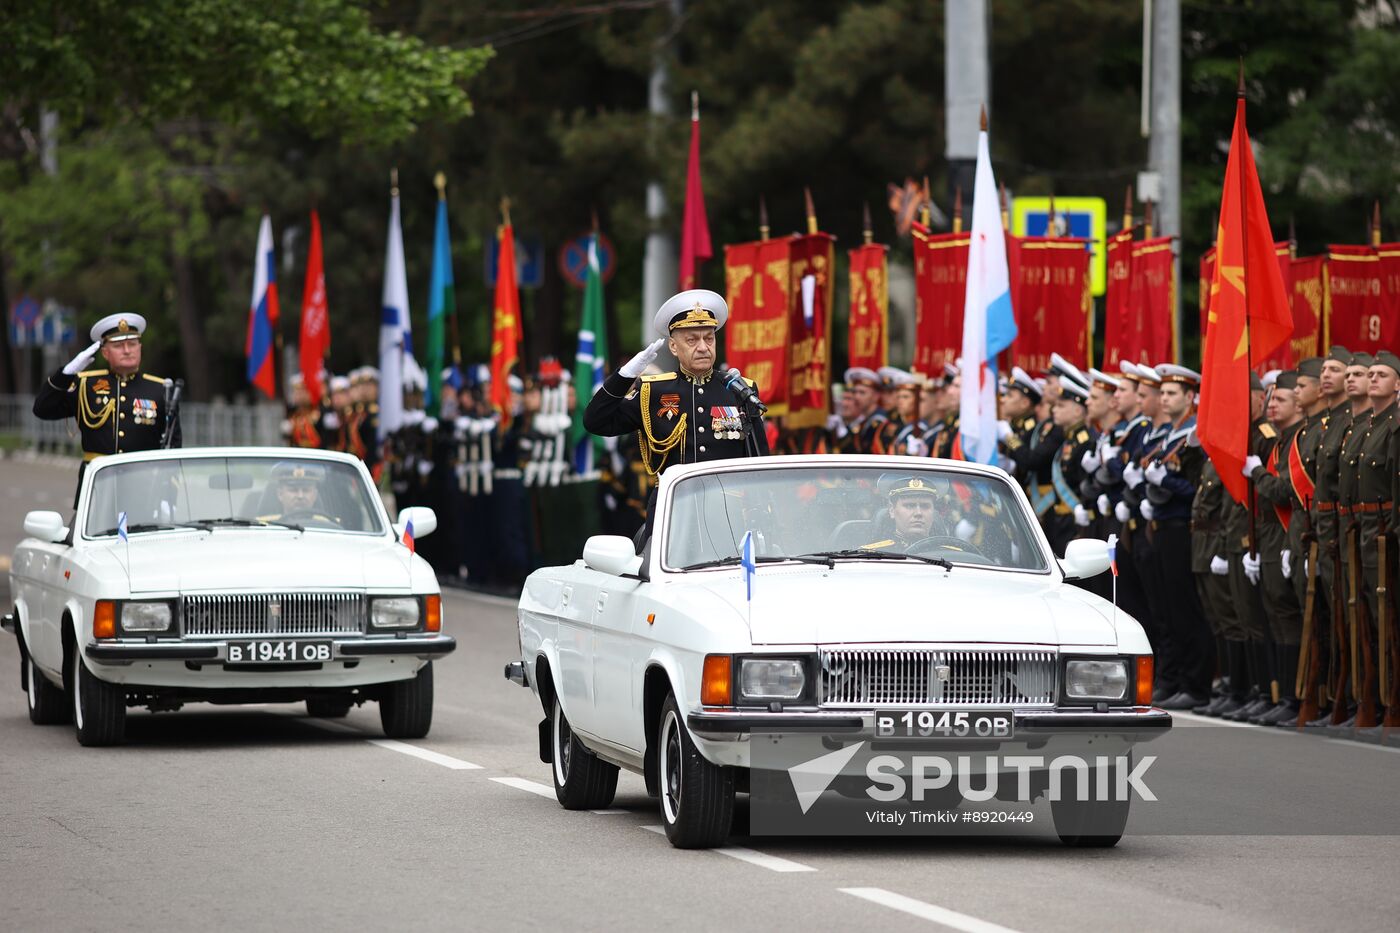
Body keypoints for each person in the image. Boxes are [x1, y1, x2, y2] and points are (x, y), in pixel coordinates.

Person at [584, 289, 770, 479]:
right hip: (675, 505)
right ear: (673, 346)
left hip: (727, 503)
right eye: (692, 340)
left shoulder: (738, 389)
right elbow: (596, 422)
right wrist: (625, 375)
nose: (703, 347)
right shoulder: (652, 391)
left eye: (708, 338)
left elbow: (759, 456)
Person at [33, 313, 182, 502]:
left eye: (133, 344)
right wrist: (66, 373)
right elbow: (42, 409)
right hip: (98, 488)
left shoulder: (160, 389)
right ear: (105, 352)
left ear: (140, 347)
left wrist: (169, 499)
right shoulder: (86, 384)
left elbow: (174, 449)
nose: (127, 350)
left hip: (145, 489)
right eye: (118, 345)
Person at [861, 476, 949, 550]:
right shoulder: (873, 556)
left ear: (933, 512)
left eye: (925, 506)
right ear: (892, 510)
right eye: (909, 506)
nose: (918, 513)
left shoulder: (950, 556)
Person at [259, 462, 337, 525]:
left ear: (315, 495)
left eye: (306, 490)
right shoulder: (265, 526)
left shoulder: (330, 526)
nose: (300, 496)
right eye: (293, 490)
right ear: (280, 494)